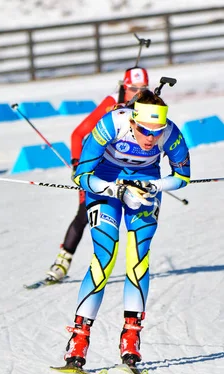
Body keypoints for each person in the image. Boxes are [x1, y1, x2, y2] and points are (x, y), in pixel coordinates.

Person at [62, 88, 191, 370]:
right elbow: (81, 175)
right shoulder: (112, 123)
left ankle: (131, 337)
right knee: (104, 258)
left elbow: (182, 177)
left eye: (157, 132)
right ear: (133, 122)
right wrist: (115, 189)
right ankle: (79, 340)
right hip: (105, 185)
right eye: (145, 131)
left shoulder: (171, 133)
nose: (151, 138)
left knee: (138, 258)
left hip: (145, 186)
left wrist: (154, 186)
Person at [47, 67, 150, 282]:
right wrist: (77, 165)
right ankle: (61, 262)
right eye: (133, 88)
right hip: (96, 166)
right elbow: (77, 135)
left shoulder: (147, 105)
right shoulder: (110, 102)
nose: (138, 93)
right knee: (85, 213)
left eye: (143, 89)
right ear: (124, 86)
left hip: (124, 167)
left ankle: (135, 265)